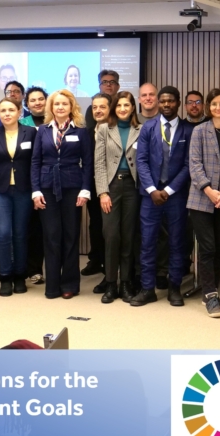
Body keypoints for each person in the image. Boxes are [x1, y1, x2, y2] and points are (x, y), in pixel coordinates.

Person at [131, 86, 193, 307]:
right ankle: (147, 289)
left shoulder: (188, 130)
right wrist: (152, 189)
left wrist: (168, 190)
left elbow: (189, 165)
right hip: (150, 195)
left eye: (171, 101)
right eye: (163, 101)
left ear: (178, 103)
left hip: (176, 196)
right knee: (147, 242)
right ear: (159, 103)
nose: (166, 104)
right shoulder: (148, 127)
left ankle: (174, 287)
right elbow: (141, 160)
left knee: (177, 242)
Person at [31, 89, 94, 299]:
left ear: (71, 107)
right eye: (56, 104)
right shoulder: (43, 130)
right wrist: (35, 190)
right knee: (51, 236)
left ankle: (69, 284)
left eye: (64, 104)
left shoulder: (81, 131)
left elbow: (88, 163)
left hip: (72, 188)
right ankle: (52, 285)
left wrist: (85, 189)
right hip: (46, 188)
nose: (60, 107)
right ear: (51, 107)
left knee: (70, 236)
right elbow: (35, 162)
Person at [185, 87, 220, 314]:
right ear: (208, 107)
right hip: (201, 198)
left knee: (219, 248)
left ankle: (212, 291)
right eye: (214, 103)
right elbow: (194, 164)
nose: (218, 107)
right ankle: (210, 296)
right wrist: (209, 190)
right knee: (207, 247)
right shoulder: (199, 131)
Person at [0, 98, 37, 296]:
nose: (7, 114)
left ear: (19, 112)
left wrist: (36, 191)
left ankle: (20, 275)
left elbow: (36, 163)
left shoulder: (30, 132)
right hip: (0, 191)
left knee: (21, 234)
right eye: (3, 110)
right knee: (4, 234)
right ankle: (5, 276)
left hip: (24, 190)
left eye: (11, 110)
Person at [93, 91, 142, 304]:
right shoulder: (104, 129)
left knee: (129, 236)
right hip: (111, 187)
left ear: (133, 108)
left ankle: (126, 284)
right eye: (119, 105)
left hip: (133, 188)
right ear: (114, 108)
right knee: (112, 236)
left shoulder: (141, 130)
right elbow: (99, 163)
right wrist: (103, 192)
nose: (122, 109)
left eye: (127, 105)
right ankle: (111, 284)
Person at [81, 93, 113, 286]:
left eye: (102, 107)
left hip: (114, 186)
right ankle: (96, 259)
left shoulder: (116, 130)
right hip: (92, 185)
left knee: (110, 228)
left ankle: (110, 270)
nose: (98, 110)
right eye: (94, 107)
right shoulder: (86, 133)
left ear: (110, 109)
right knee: (96, 224)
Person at [21, 86, 48, 285]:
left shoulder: (55, 122)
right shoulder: (21, 124)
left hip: (51, 181)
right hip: (27, 182)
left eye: (41, 99)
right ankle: (33, 269)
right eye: (33, 100)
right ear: (27, 104)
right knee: (32, 228)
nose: (37, 103)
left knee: (50, 228)